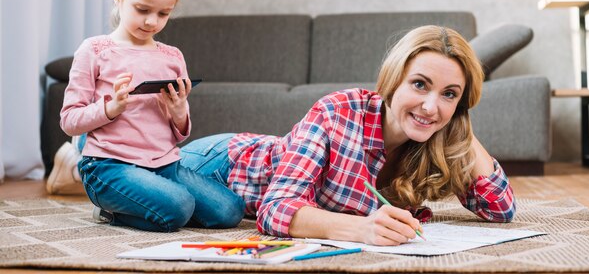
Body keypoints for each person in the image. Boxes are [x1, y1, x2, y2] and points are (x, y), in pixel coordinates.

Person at [179, 25, 516, 246]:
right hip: (219, 165)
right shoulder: (339, 112)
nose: (430, 106)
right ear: (393, 79)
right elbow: (276, 209)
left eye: (449, 93)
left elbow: (501, 209)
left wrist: (457, 123)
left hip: (233, 179)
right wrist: (361, 230)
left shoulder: (438, 132)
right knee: (178, 202)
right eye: (420, 84)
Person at [58, 0, 244, 232]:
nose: (151, 22)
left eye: (163, 13)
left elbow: (179, 135)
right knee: (179, 207)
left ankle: (156, 202)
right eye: (142, 10)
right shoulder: (94, 50)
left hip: (165, 165)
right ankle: (109, 210)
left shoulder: (172, 56)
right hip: (108, 168)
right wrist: (110, 109)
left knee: (230, 211)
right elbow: (69, 120)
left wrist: (178, 110)